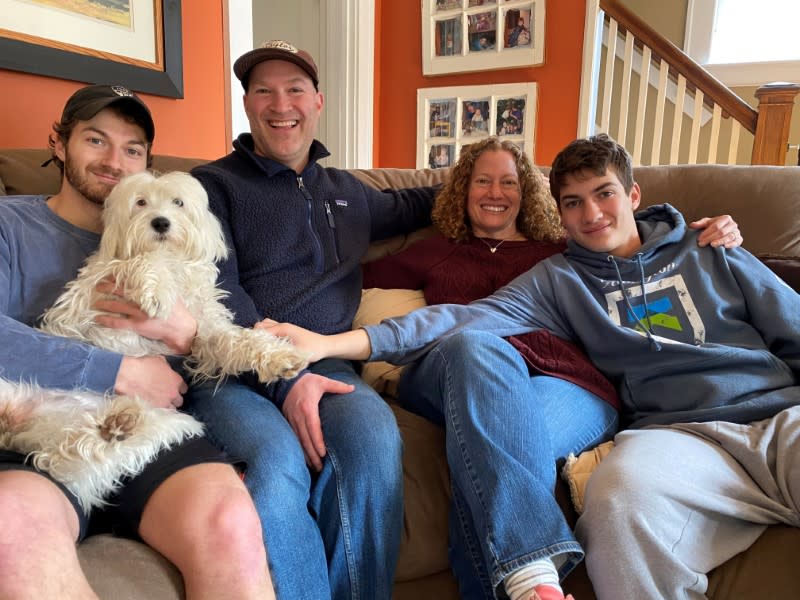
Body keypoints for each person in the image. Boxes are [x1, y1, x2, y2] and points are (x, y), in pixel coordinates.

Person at [267, 136, 745, 600]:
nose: (495, 193)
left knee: (494, 454)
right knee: (474, 345)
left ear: (529, 193)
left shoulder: (561, 251)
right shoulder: (433, 251)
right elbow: (337, 284)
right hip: (449, 370)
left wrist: (698, 231)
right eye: (481, 181)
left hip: (564, 384)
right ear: (462, 190)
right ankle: (534, 571)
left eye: (509, 182)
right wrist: (313, 341)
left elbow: (622, 235)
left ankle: (528, 588)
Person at [184, 40, 437, 600]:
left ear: (318, 101)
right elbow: (218, 289)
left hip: (328, 366)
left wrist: (507, 182)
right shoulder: (211, 186)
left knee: (373, 442)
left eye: (295, 89)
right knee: (275, 465)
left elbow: (435, 199)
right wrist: (287, 374)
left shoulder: (349, 192)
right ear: (246, 104)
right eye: (264, 91)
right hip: (233, 373)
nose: (281, 104)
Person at [0, 84, 273, 599]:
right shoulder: (9, 224)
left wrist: (185, 334)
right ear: (57, 144)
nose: (115, 162)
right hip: (40, 421)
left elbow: (218, 332)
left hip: (151, 426)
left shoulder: (179, 240)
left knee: (230, 518)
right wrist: (117, 371)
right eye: (96, 140)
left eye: (133, 149)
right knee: (12, 521)